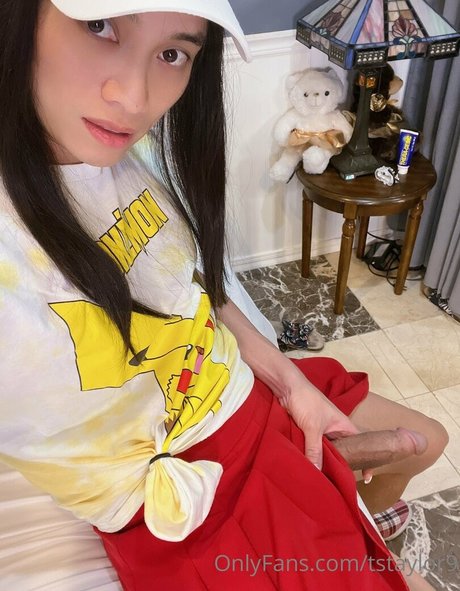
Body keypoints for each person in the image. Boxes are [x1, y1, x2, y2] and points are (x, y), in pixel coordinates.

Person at [0, 1, 448, 590]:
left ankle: (363, 511)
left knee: (430, 441)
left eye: (172, 53)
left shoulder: (120, 155)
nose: (135, 98)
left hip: (250, 387)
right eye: (99, 26)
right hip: (198, 496)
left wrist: (294, 384)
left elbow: (197, 290)